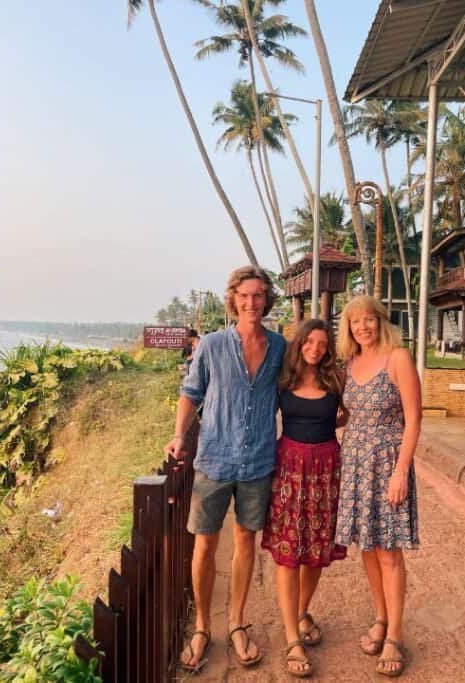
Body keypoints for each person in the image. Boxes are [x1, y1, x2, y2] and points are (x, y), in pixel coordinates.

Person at [163, 266, 286, 673]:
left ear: (267, 300)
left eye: (258, 295)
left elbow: (297, 389)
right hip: (214, 458)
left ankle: (236, 622)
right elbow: (190, 393)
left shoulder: (280, 347)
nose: (251, 303)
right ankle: (201, 626)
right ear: (233, 300)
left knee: (246, 541)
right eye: (244, 296)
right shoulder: (213, 345)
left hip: (258, 461)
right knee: (204, 544)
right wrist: (180, 435)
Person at [334, 295, 421, 678]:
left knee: (389, 553)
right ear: (349, 328)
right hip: (354, 462)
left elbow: (414, 419)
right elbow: (349, 414)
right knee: (367, 548)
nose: (363, 327)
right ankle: (381, 617)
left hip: (387, 463)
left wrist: (401, 471)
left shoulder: (397, 357)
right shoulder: (350, 363)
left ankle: (395, 636)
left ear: (381, 321)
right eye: (356, 322)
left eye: (369, 319)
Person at [260, 319, 347, 678]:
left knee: (315, 552)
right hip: (289, 469)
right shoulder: (283, 380)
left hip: (326, 469)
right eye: (309, 341)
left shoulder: (335, 380)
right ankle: (293, 638)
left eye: (322, 343)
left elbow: (352, 412)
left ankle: (298, 612)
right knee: (288, 552)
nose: (315, 348)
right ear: (299, 344)